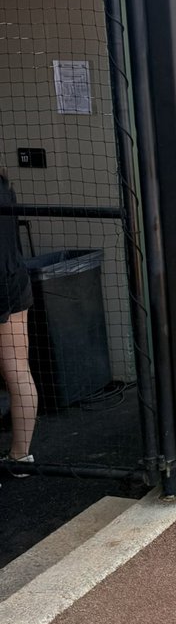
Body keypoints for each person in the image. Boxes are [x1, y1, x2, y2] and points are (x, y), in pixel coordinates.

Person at [0, 172, 38, 478]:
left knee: (15, 368)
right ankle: (20, 455)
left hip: (6, 280)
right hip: (15, 279)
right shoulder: (5, 187)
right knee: (17, 367)